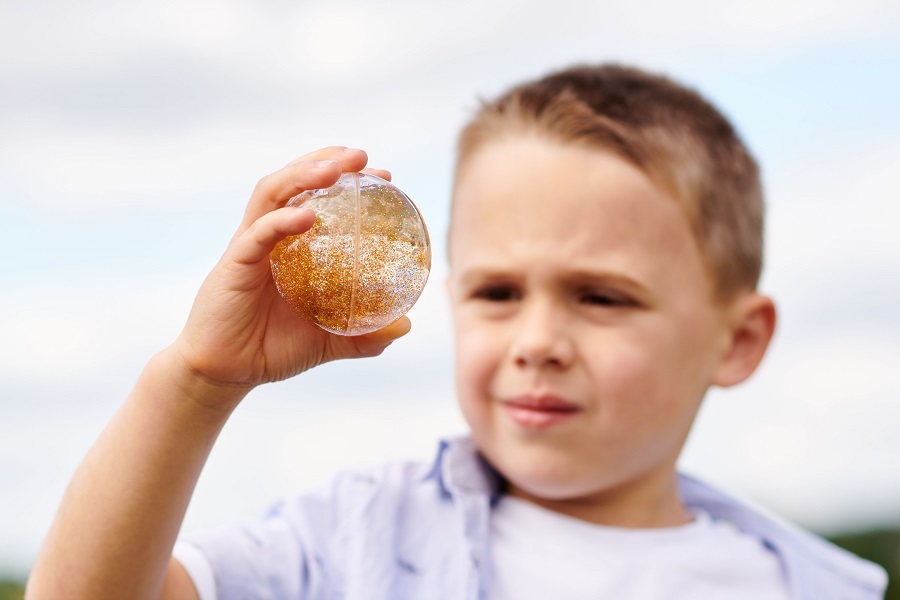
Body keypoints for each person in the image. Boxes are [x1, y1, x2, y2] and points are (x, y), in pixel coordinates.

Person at [26, 64, 888, 600]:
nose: (536, 340)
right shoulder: (359, 542)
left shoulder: (813, 587)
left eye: (601, 298)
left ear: (737, 342)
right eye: (497, 292)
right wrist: (194, 384)